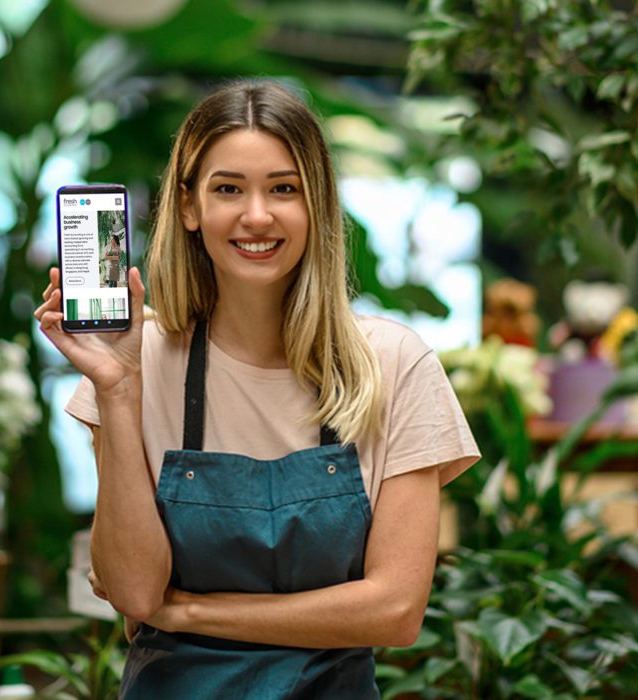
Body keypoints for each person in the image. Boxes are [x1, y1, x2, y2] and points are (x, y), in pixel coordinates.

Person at [35, 80, 479, 699]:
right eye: (227, 189)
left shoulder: (392, 364)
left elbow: (394, 611)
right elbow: (135, 593)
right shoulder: (140, 363)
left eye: (283, 188)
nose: (257, 215)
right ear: (189, 207)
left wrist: (189, 613)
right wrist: (117, 388)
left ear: (317, 205)